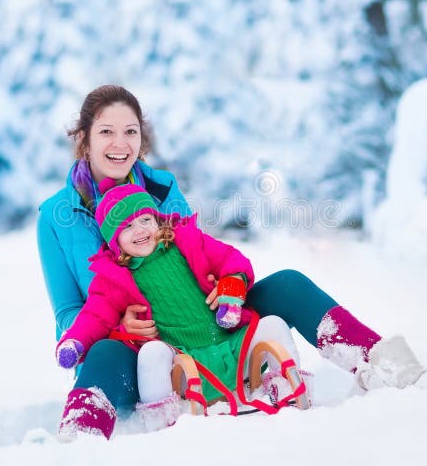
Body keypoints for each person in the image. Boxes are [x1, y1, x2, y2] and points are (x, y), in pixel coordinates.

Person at [36, 85, 425, 437]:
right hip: (142, 355)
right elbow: (68, 313)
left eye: (130, 131)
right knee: (104, 353)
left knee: (287, 283)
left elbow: (199, 256)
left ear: (142, 139)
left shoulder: (160, 189)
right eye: (106, 131)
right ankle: (79, 438)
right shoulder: (57, 216)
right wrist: (117, 325)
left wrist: (229, 283)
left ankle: (379, 361)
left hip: (206, 325)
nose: (120, 143)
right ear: (84, 138)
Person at [54, 183, 306, 439]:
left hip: (234, 348)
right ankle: (161, 420)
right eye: (127, 226)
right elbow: (94, 315)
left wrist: (231, 288)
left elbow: (231, 259)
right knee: (151, 353)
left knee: (273, 325)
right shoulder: (113, 278)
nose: (139, 230)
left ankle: (286, 387)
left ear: (157, 220)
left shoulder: (188, 241)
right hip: (184, 368)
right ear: (113, 240)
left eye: (145, 219)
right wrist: (75, 342)